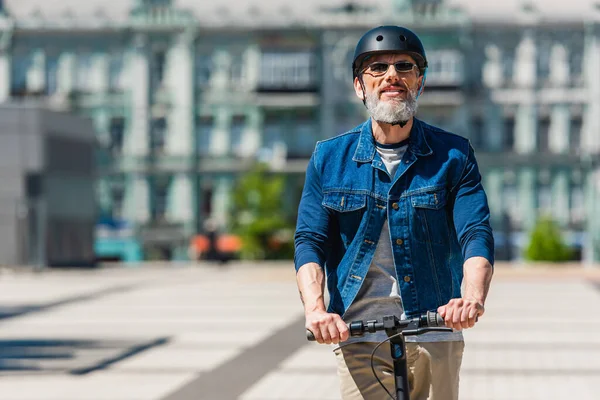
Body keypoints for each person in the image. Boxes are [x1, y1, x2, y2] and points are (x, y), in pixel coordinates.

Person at [294, 25, 494, 400]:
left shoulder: (454, 156)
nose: (392, 76)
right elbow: (310, 241)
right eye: (377, 68)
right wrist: (316, 311)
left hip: (436, 327)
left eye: (404, 67)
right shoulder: (329, 158)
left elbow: (475, 234)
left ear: (419, 82)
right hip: (358, 334)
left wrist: (471, 298)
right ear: (359, 86)